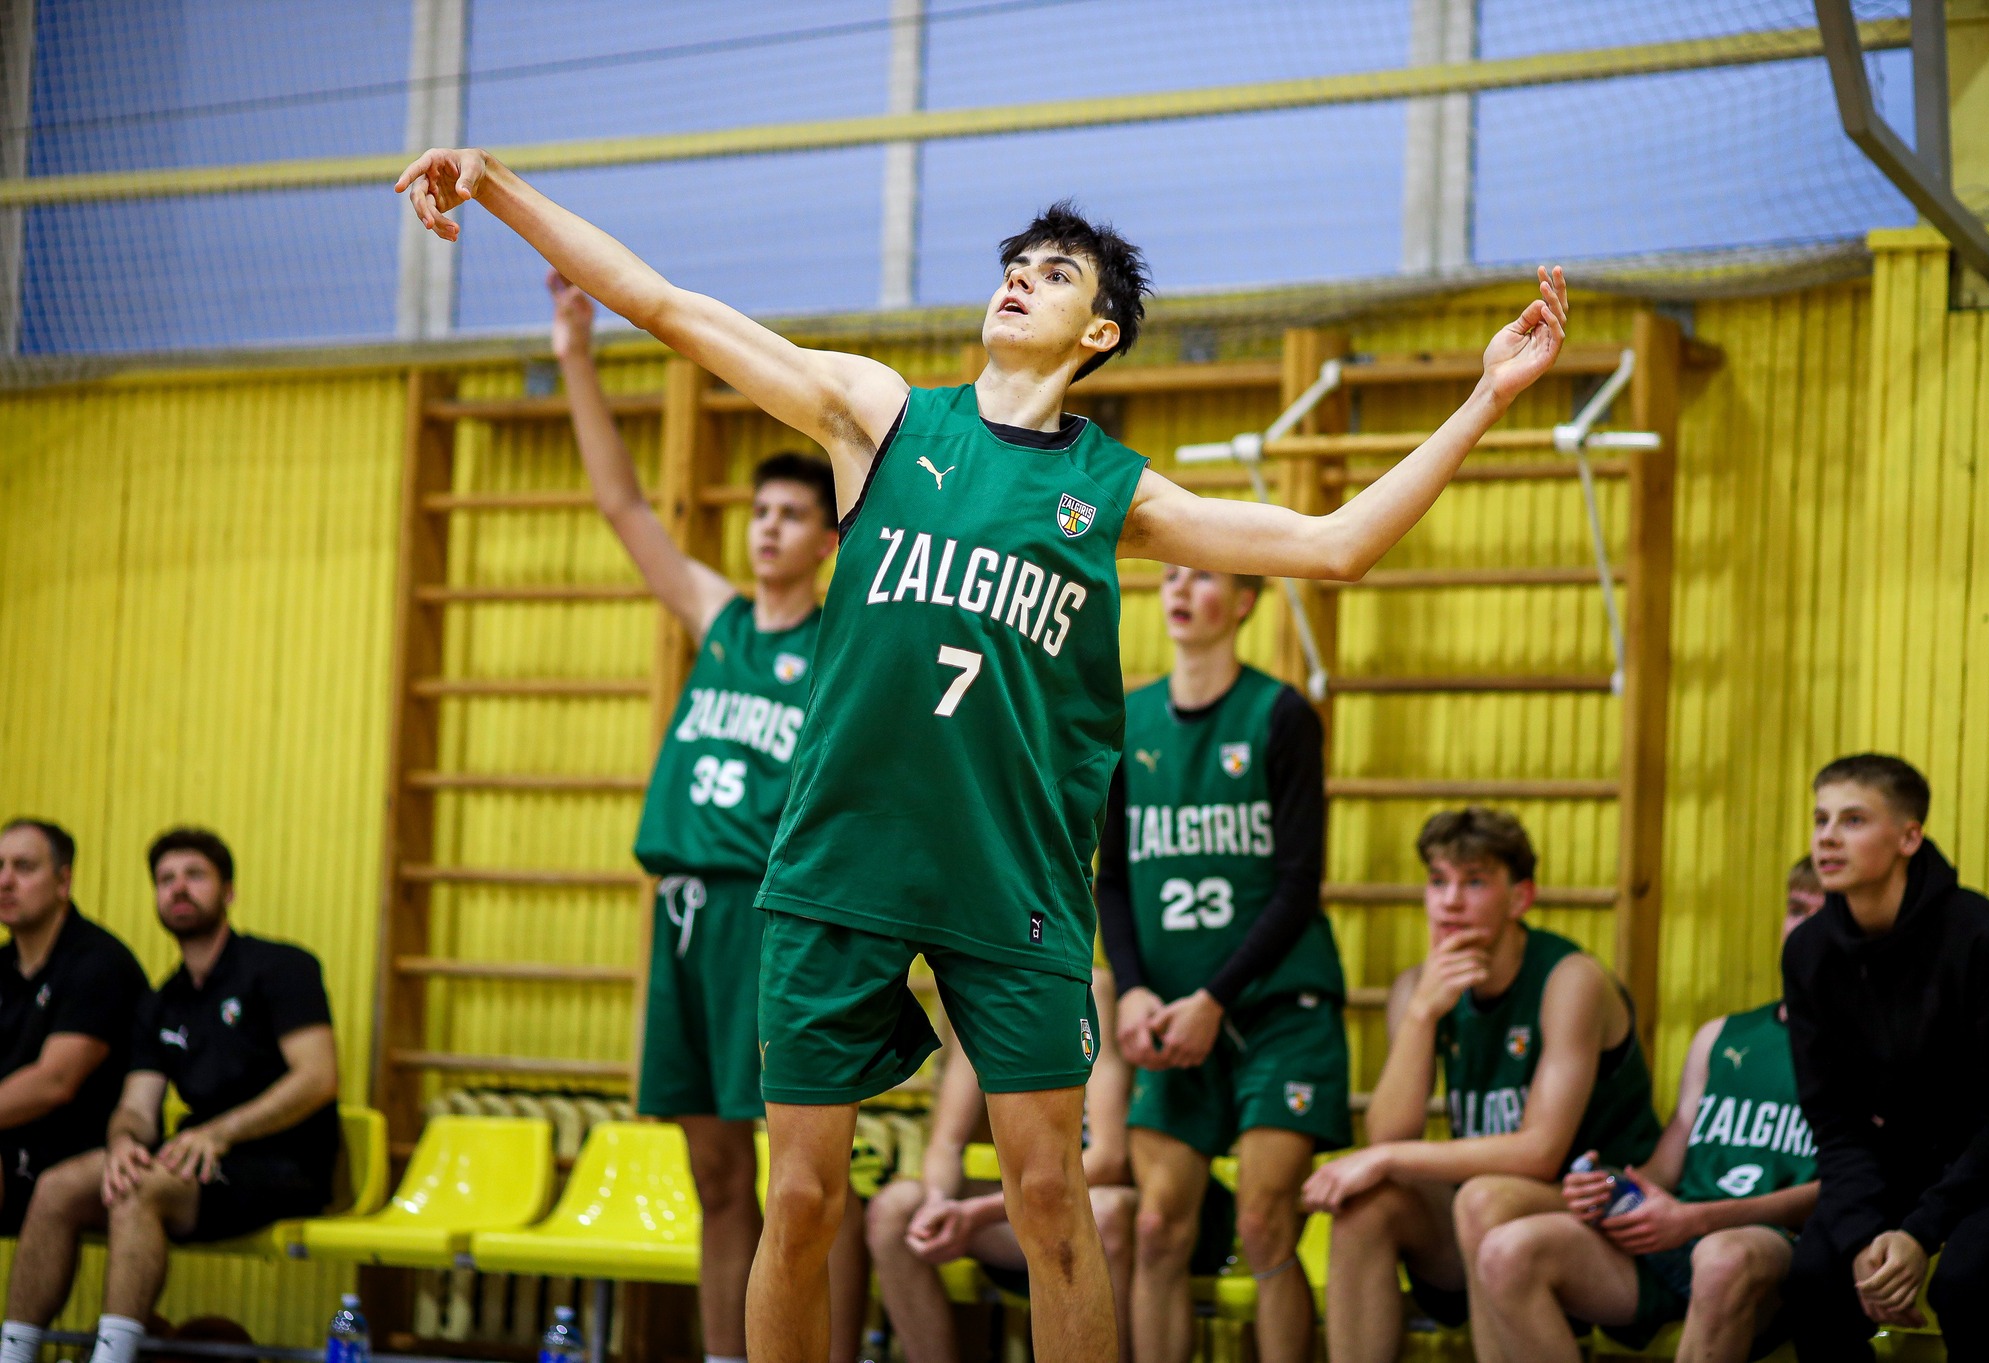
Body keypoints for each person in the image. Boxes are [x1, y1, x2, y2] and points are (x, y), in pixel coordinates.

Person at [396, 144, 1567, 1363]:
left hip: (1010, 882)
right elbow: (663, 305)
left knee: (1052, 1204)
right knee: (799, 1200)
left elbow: (1335, 546)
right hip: (840, 860)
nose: (1018, 278)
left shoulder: (1113, 493)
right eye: (1014, 263)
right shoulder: (878, 416)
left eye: (1053, 273)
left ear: (1099, 333)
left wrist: (1483, 398)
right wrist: (496, 186)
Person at [547, 273, 869, 1363]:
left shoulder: (837, 640)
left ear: (826, 540)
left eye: (792, 515)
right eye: (761, 511)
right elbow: (622, 508)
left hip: (763, 918)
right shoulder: (717, 616)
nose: (769, 526)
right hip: (681, 916)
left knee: (798, 1180)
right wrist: (576, 354)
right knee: (714, 1175)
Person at [1095, 566, 1349, 1363]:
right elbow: (1111, 879)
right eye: (1171, 574)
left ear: (1243, 602)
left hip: (1275, 1009)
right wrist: (1133, 988)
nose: (1179, 588)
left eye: (1202, 576)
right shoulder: (1129, 720)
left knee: (1265, 1222)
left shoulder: (1281, 714)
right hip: (1171, 1013)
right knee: (1156, 1224)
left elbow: (1300, 884)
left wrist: (1216, 995)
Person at [1301, 807, 1660, 1363]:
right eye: (1437, 881)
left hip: (1605, 1214)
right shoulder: (1419, 989)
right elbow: (1390, 1133)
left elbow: (1541, 1153)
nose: (1449, 902)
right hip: (1486, 1216)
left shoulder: (1571, 980)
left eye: (1474, 883)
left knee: (1483, 1196)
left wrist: (1385, 1157)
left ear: (1520, 898)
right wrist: (1421, 1015)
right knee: (1364, 1205)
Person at [0, 829, 340, 1363]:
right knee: (59, 1185)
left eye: (195, 875)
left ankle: (111, 1358)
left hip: (283, 1162)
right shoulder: (162, 1001)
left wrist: (220, 1132)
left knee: (141, 1190)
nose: (178, 888)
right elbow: (137, 1105)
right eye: (165, 879)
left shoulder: (281, 967)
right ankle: (13, 1355)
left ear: (228, 891)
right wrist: (123, 1143)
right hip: (199, 1160)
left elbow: (318, 1078)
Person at [1469, 857, 1826, 1362]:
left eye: (1827, 914)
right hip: (1679, 1234)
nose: (1805, 928)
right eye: (1796, 910)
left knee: (1722, 1256)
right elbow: (1662, 1171)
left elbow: (1844, 1191)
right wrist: (1609, 1187)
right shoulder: (1722, 1037)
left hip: (1775, 1247)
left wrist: (1698, 1219)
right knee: (1507, 1251)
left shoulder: (1879, 1050)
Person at [1781, 754, 1989, 1362]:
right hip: (1908, 1153)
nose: (1827, 836)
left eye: (1853, 820)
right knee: (1817, 1278)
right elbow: (1834, 1118)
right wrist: (1862, 1237)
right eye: (1821, 819)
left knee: (1966, 1286)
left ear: (1909, 837)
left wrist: (1919, 1234)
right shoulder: (1809, 952)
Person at [867, 971, 1142, 1363]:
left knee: (1106, 1211)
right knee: (895, 1210)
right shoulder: (976, 985)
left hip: (1080, 1198)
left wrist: (979, 1212)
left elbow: (1110, 1158)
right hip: (1015, 1205)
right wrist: (939, 1202)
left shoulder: (1089, 986)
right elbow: (946, 1144)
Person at [0, 820, 151, 1237]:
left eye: (24, 867)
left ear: (63, 882)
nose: (5, 881)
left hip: (81, 1149)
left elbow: (55, 1082)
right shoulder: (3, 965)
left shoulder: (98, 962)